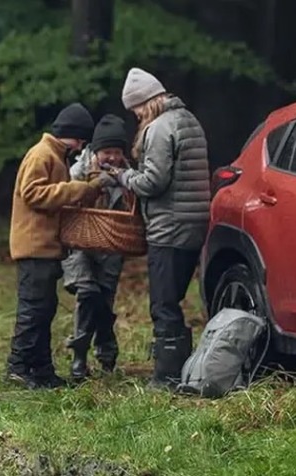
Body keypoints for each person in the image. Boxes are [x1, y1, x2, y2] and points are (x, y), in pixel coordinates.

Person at [109, 68, 211, 389]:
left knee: (163, 304)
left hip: (168, 227)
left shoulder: (160, 128)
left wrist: (123, 177)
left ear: (147, 102)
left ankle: (167, 377)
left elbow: (153, 181)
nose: (136, 115)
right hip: (195, 223)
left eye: (136, 108)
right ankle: (182, 370)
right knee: (175, 300)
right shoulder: (189, 120)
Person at [7, 103, 113, 389]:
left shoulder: (57, 156)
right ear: (70, 134)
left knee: (45, 310)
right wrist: (81, 189)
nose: (81, 146)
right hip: (34, 247)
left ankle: (42, 371)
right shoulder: (42, 155)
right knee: (33, 311)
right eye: (80, 139)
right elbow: (33, 193)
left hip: (47, 247)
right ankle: (18, 366)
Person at [61, 114, 133, 381]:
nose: (112, 158)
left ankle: (104, 353)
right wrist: (92, 184)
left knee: (103, 299)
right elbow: (67, 197)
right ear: (95, 151)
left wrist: (125, 183)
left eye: (116, 152)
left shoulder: (128, 176)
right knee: (87, 293)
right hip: (79, 244)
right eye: (106, 152)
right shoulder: (77, 171)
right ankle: (81, 355)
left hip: (112, 246)